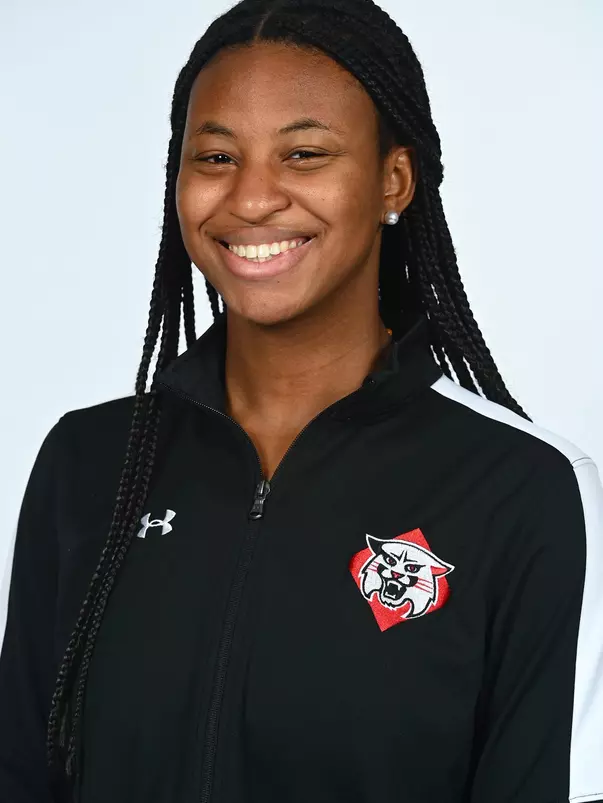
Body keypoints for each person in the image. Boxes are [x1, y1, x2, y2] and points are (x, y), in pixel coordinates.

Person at [1, 0, 601, 800]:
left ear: (394, 177)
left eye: (305, 154)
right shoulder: (89, 462)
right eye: (214, 157)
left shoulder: (526, 492)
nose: (251, 199)